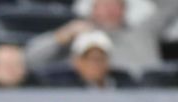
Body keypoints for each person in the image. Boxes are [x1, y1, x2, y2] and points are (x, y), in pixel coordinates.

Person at [26, 0, 178, 78]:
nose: (110, 10)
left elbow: (172, 6)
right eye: (104, 5)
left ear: (125, 10)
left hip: (151, 99)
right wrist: (63, 35)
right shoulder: (81, 35)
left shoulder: (144, 31)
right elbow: (30, 59)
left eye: (116, 5)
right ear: (92, 9)